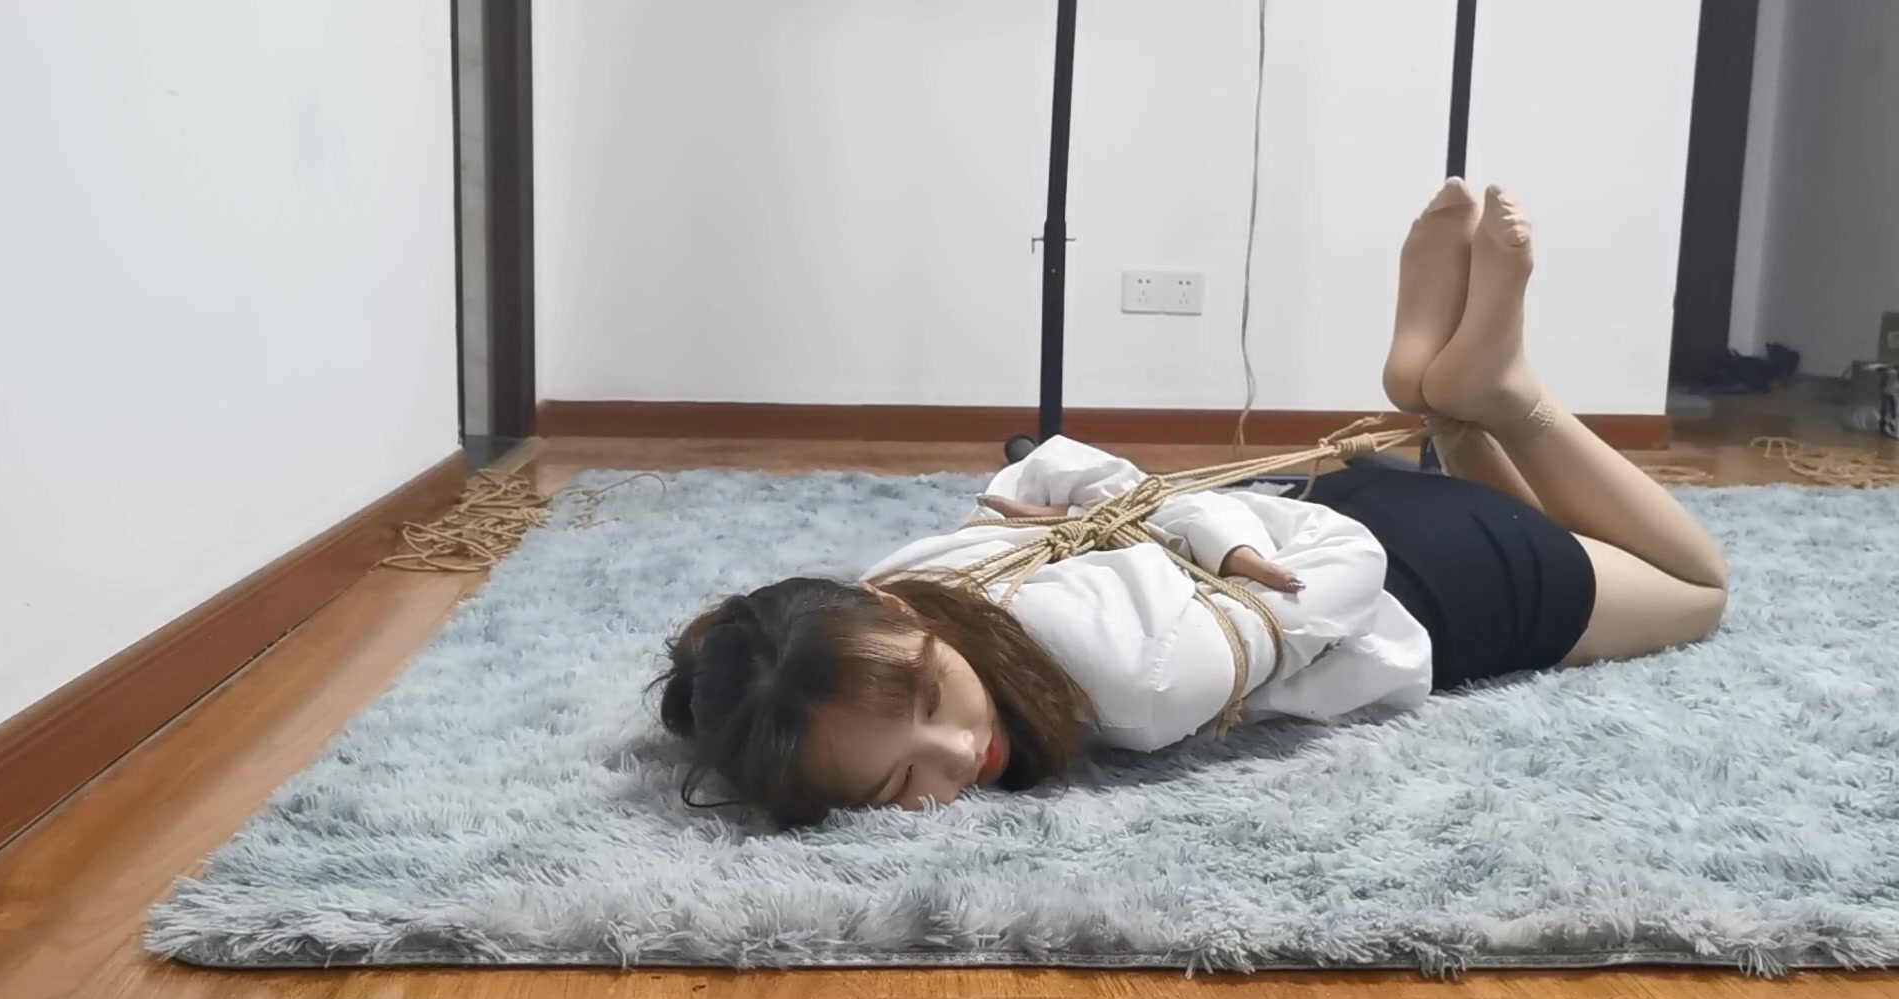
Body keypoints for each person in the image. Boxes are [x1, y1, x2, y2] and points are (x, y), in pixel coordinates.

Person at [654, 182, 1728, 826]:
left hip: (1425, 583)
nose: (960, 751)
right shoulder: (901, 588)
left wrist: (1234, 555)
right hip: (1307, 497)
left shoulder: (1140, 682)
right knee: (1575, 534)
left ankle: (1506, 397)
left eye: (934, 700)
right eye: (899, 788)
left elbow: (1341, 572)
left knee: (1697, 587)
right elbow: (1053, 475)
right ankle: (1444, 406)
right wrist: (1204, 533)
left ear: (892, 621)